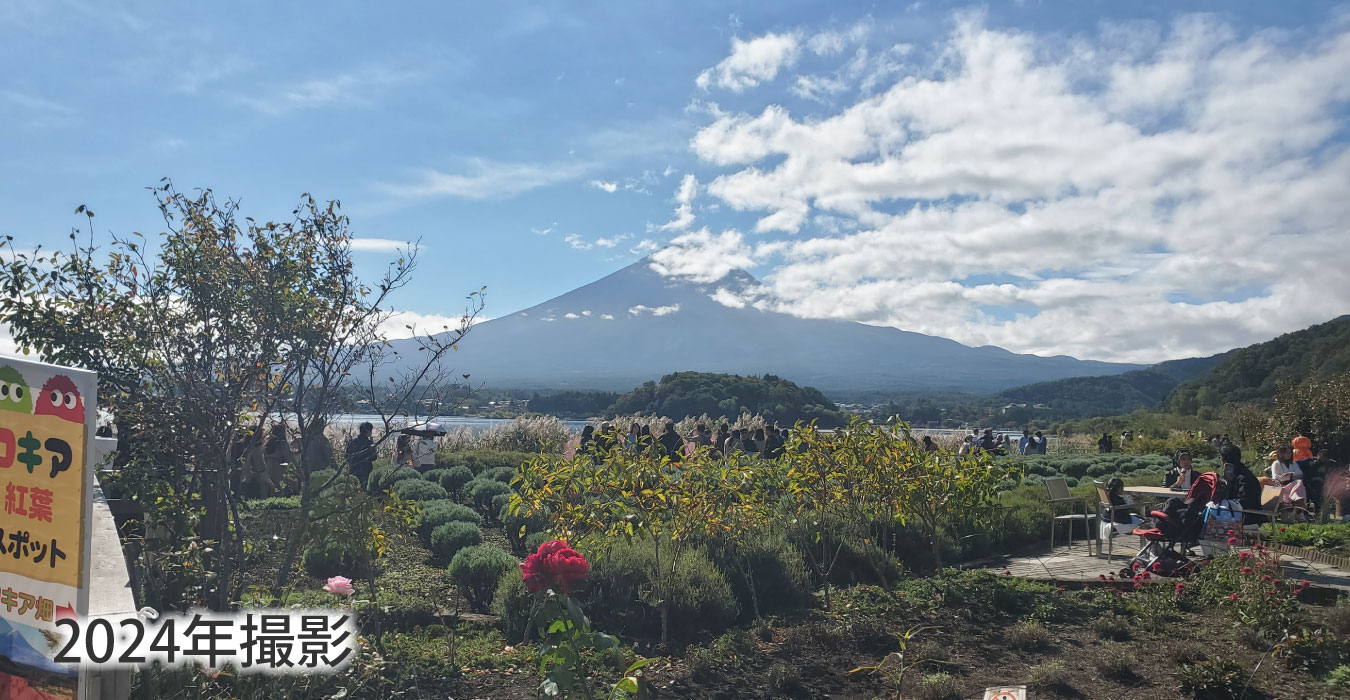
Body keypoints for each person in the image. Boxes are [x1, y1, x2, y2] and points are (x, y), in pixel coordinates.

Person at [1221, 444, 1265, 526]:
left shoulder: (1245, 478)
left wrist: (1227, 503)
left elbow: (1246, 501)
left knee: (1213, 517)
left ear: (1224, 459)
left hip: (1249, 515)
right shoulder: (1235, 473)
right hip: (1238, 511)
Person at [262, 423, 295, 497]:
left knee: (269, 488)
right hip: (278, 467)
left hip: (267, 467)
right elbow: (288, 458)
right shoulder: (283, 444)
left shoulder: (267, 444)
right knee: (279, 489)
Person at [345, 421, 377, 488]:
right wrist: (373, 447)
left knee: (352, 487)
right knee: (363, 488)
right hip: (365, 470)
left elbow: (346, 456)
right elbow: (374, 457)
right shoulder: (368, 443)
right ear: (367, 431)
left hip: (353, 469)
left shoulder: (352, 441)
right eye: (371, 430)